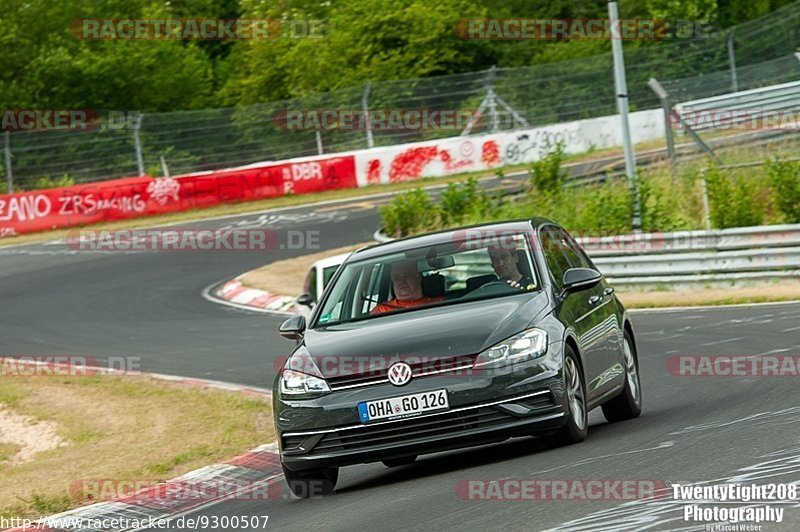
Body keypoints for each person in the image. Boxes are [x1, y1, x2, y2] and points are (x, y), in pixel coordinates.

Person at [371, 261, 445, 314]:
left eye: (406, 276)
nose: (401, 282)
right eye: (396, 278)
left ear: (418, 278)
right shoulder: (381, 310)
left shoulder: (439, 304)